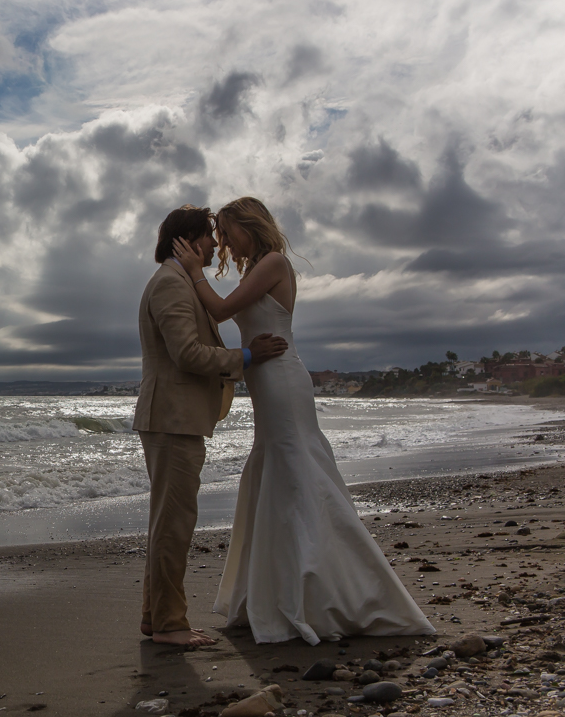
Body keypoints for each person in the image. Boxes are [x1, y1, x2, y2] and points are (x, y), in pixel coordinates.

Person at [172, 196, 434, 645]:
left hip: (281, 379)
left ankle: (322, 590)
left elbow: (218, 309)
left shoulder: (273, 262)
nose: (224, 243)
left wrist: (194, 270)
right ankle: (277, 590)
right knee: (279, 468)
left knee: (295, 469)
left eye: (229, 232)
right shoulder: (259, 266)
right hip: (265, 377)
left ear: (250, 227)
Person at [133, 205, 288, 647]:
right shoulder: (170, 283)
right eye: (208, 236)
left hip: (175, 418)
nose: (215, 245)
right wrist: (246, 356)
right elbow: (189, 355)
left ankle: (156, 617)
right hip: (171, 419)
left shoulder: (178, 281)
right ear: (188, 241)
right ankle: (169, 624)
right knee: (174, 523)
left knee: (169, 520)